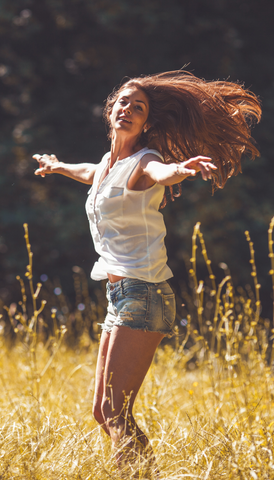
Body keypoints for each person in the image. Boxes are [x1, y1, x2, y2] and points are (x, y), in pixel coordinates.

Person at [33, 71, 261, 466]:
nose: (128, 109)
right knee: (103, 412)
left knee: (116, 412)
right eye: (123, 102)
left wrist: (183, 169)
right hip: (121, 297)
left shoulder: (146, 162)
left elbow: (160, 173)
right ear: (111, 110)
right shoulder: (109, 163)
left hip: (145, 294)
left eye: (138, 108)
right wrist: (58, 166)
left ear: (147, 122)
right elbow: (91, 172)